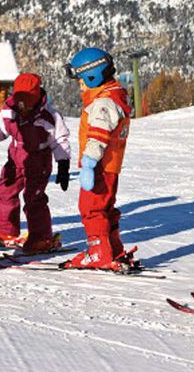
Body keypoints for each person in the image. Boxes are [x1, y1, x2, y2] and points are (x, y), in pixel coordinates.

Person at [0, 73, 71, 252]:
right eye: (20, 101)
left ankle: (41, 238)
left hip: (38, 161)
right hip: (15, 159)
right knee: (5, 192)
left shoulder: (49, 116)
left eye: (27, 102)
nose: (23, 106)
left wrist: (63, 164)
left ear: (36, 97)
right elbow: (0, 128)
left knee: (34, 198)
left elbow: (60, 141)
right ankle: (5, 231)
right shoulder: (10, 110)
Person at [62, 47, 134, 270]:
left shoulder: (104, 103)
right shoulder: (112, 97)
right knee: (105, 209)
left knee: (91, 209)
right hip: (111, 167)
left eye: (82, 80)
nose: (80, 85)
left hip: (100, 166)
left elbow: (98, 137)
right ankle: (114, 249)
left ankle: (98, 252)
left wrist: (89, 164)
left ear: (94, 75)